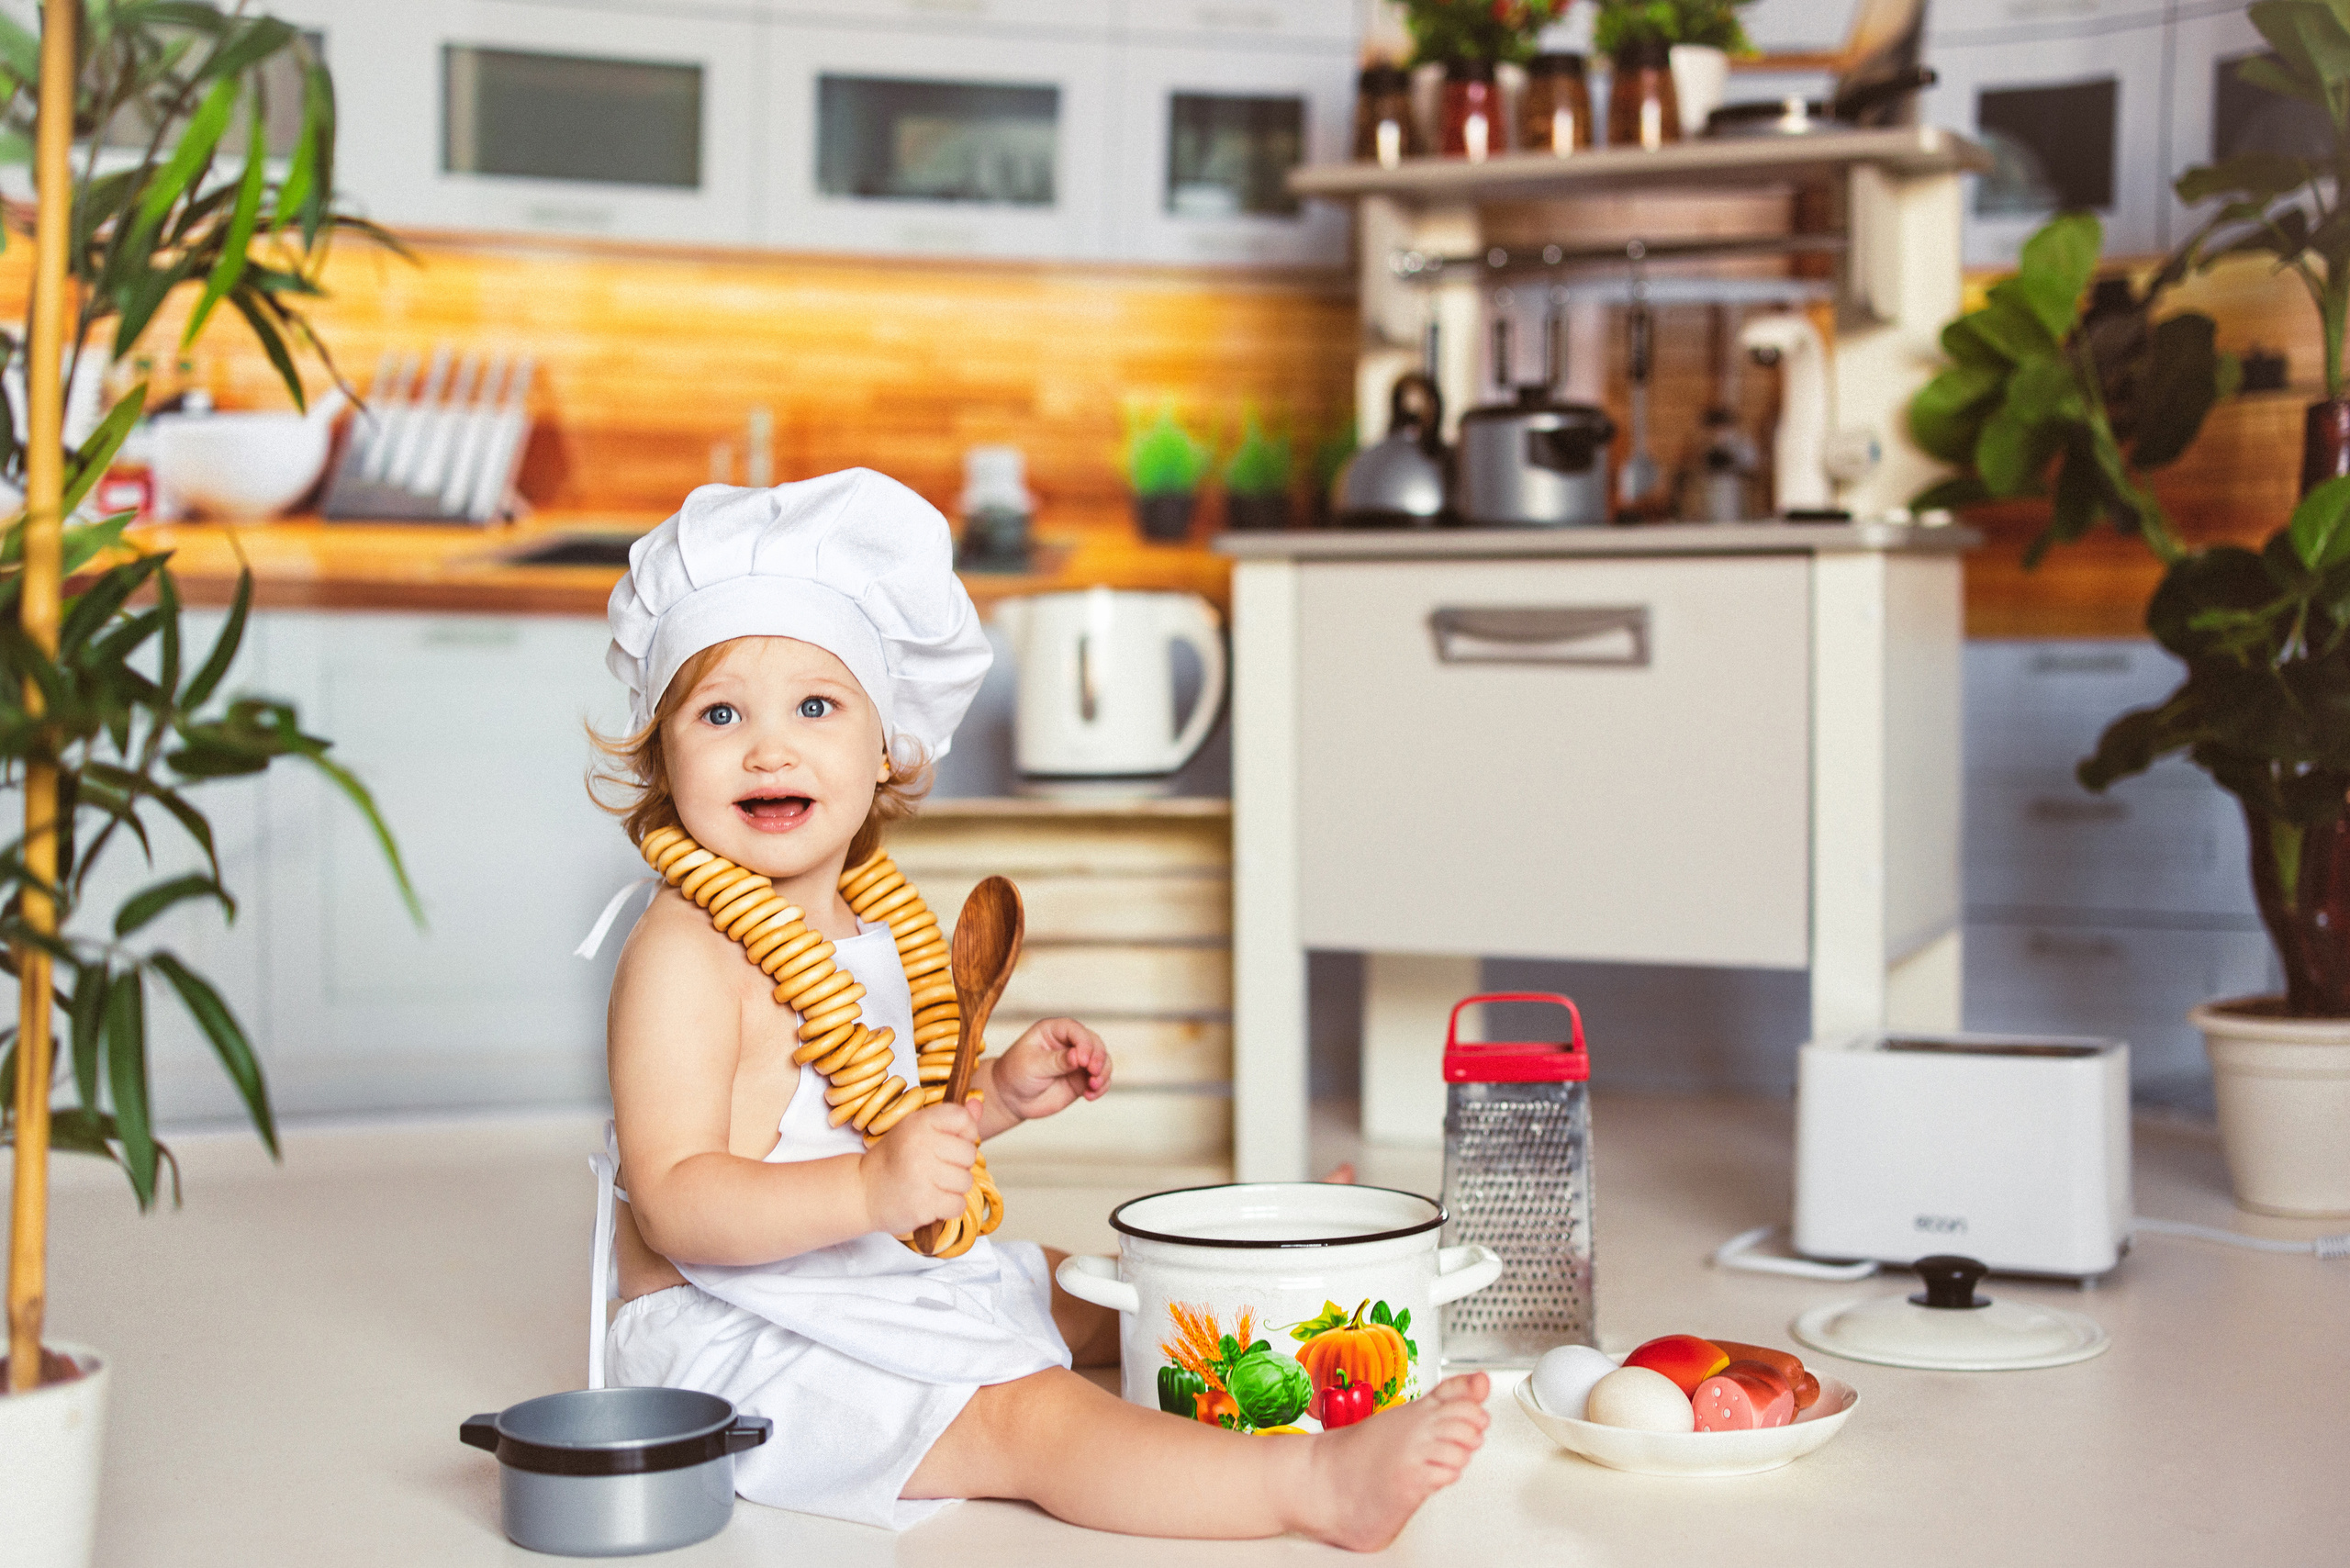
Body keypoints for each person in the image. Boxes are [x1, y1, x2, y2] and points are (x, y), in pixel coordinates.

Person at [586, 470, 1491, 1547]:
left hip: (864, 1263)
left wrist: (993, 1099)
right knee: (1030, 1415)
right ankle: (1313, 1486)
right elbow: (678, 1203)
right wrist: (876, 1186)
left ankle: (1290, 1287)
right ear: (662, 752)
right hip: (732, 1335)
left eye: (815, 705)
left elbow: (868, 1109)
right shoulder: (686, 950)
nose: (769, 746)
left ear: (886, 748)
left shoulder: (869, 923)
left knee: (1104, 1288)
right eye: (720, 711)